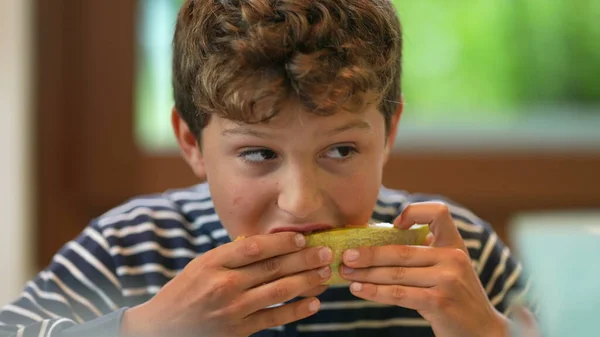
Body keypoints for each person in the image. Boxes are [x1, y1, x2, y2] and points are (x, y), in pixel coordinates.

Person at [0, 1, 534, 336]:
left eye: (341, 151)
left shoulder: (457, 253)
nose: (300, 201)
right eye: (259, 154)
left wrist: (487, 333)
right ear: (192, 142)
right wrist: (142, 332)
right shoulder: (132, 246)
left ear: (389, 133)